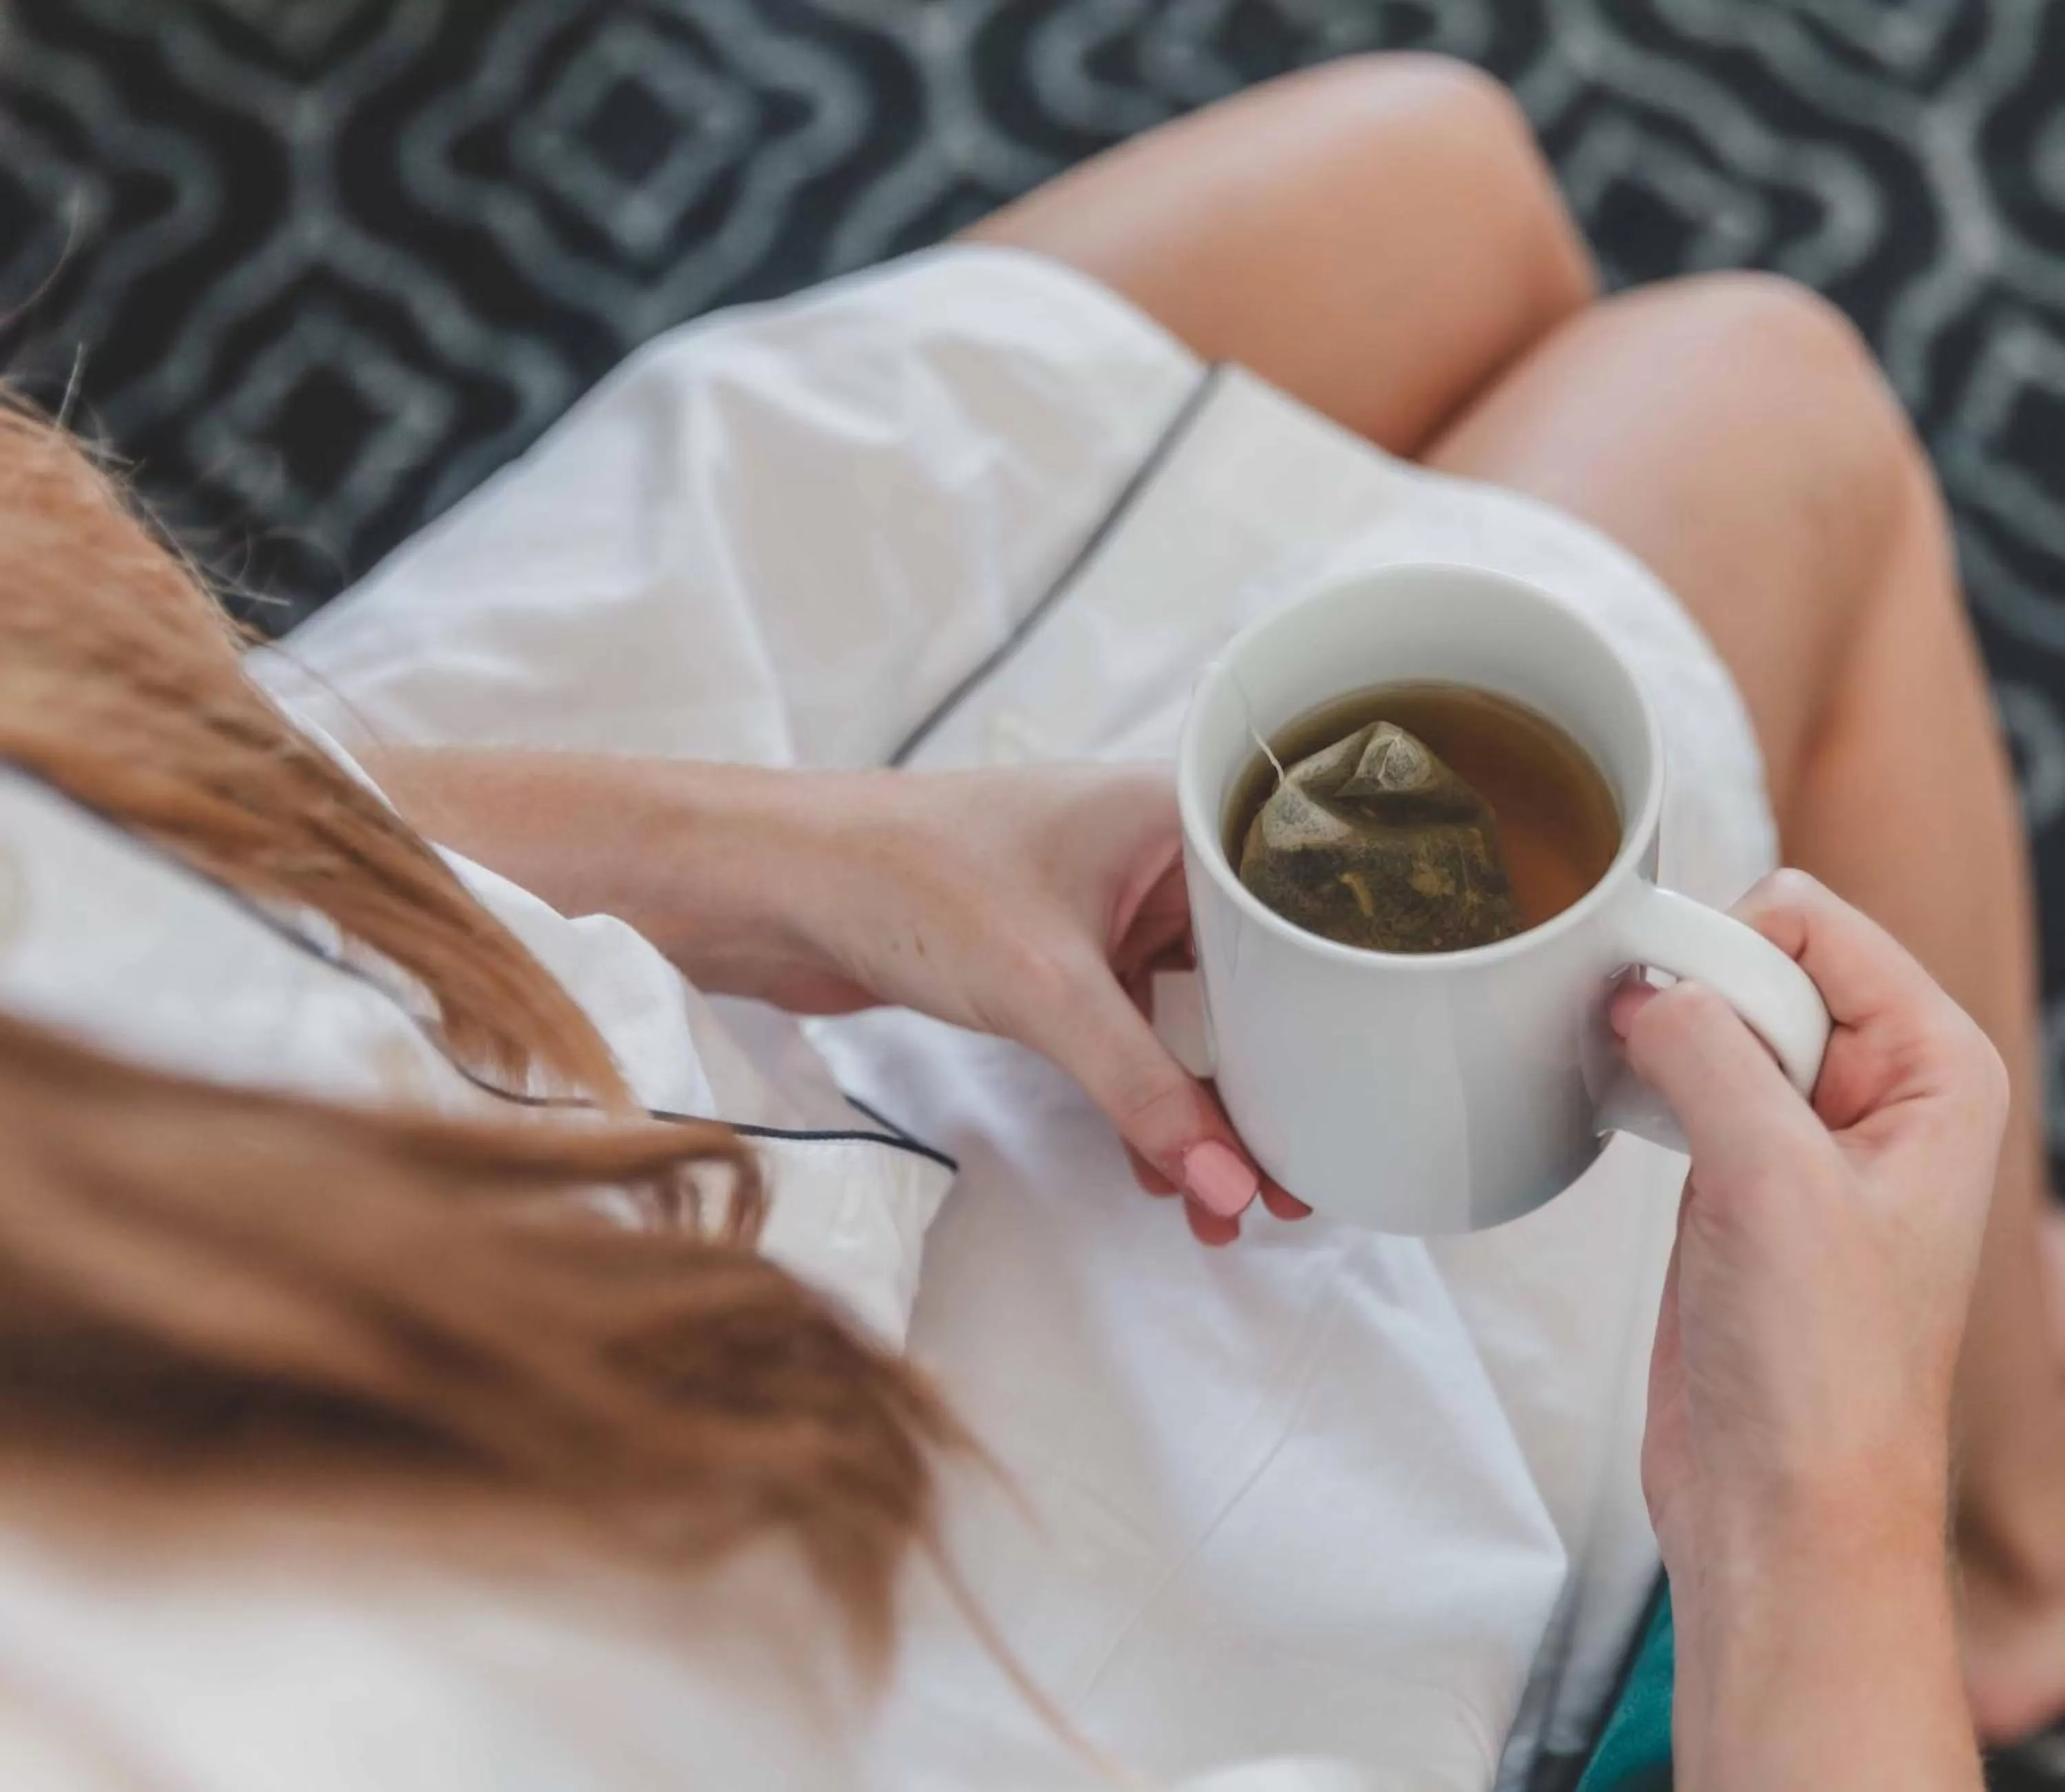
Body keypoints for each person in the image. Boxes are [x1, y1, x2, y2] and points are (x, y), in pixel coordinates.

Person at [0, 49, 2048, 1789]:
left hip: (433, 907)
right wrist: (1823, 1526)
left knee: (1431, 167)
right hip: (992, 1571)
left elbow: (151, 803)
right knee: (1760, 395)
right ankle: (2015, 1548)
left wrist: (806, 862)